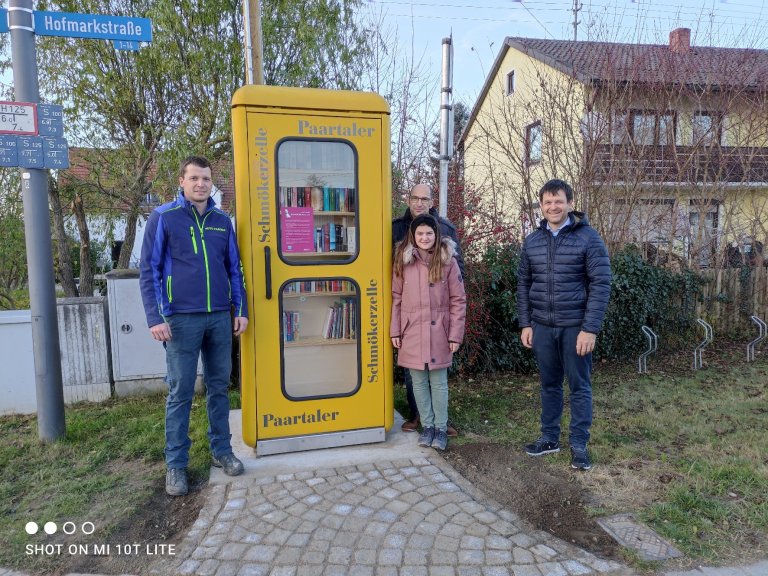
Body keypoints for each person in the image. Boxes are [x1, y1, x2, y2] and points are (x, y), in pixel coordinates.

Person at [140, 155, 249, 496]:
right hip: (181, 320)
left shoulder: (222, 221)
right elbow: (149, 271)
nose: (201, 184)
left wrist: (240, 309)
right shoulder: (164, 218)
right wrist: (156, 318)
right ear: (182, 181)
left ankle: (221, 450)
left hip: (218, 316)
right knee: (181, 392)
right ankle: (176, 465)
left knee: (219, 387)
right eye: (194, 178)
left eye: (206, 178)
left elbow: (235, 268)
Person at [517, 179, 611, 471]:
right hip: (542, 326)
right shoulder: (532, 241)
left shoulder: (588, 238)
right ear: (541, 206)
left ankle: (579, 445)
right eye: (547, 202)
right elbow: (523, 284)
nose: (553, 207)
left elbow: (601, 283)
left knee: (579, 387)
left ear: (570, 203)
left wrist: (590, 328)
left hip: (575, 327)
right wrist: (526, 323)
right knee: (549, 385)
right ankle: (549, 438)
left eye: (558, 201)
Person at [392, 183, 464, 436]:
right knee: (415, 374)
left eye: (425, 198)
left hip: (438, 314)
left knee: (438, 374)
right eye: (415, 197)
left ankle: (440, 423)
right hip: (412, 314)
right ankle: (419, 416)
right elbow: (395, 283)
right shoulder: (395, 229)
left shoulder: (445, 229)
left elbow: (457, 272)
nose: (419, 202)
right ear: (408, 199)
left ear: (432, 201)